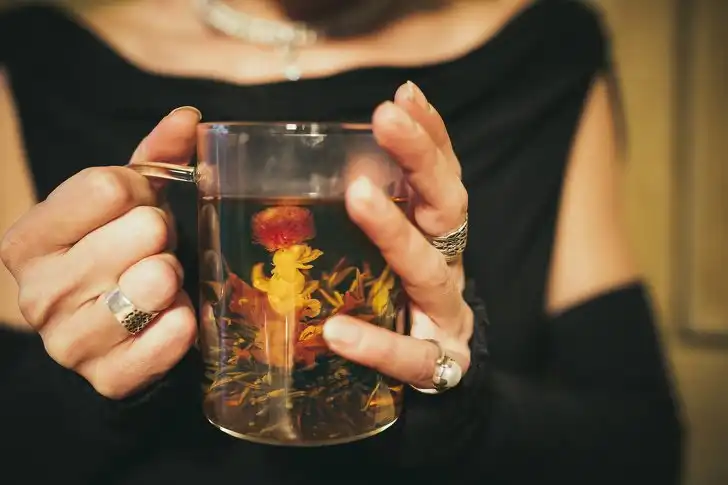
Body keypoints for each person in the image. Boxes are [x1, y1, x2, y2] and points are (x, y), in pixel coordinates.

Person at [0, 0, 683, 484]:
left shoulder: (542, 52)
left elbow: (637, 448)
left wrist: (458, 403)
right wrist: (98, 376)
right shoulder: (42, 59)